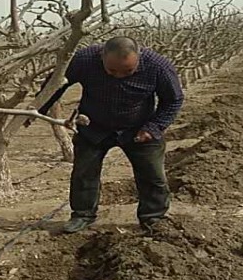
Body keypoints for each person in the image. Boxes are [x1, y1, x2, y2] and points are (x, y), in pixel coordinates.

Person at [34, 36, 184, 234]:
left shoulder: (158, 66)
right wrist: (37, 109)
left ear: (138, 58)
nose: (119, 76)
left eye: (127, 71)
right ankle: (82, 215)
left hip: (139, 127)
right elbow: (55, 84)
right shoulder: (84, 59)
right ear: (101, 56)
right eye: (112, 71)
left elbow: (173, 100)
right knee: (84, 174)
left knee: (152, 174)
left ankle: (153, 216)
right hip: (94, 126)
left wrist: (153, 127)